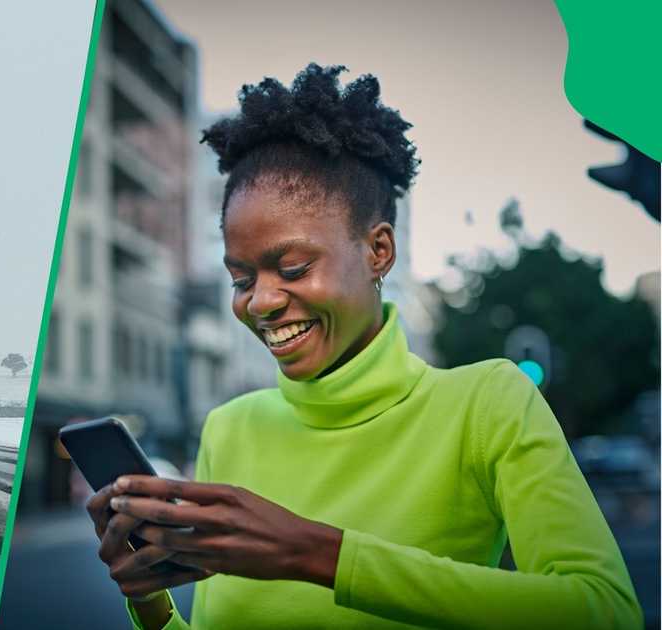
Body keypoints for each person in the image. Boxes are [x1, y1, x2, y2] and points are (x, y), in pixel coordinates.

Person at [85, 64, 642, 629]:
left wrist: (317, 554)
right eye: (242, 279)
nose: (260, 303)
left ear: (378, 251)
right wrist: (152, 606)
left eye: (294, 267)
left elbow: (605, 610)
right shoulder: (229, 427)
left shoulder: (486, 404)